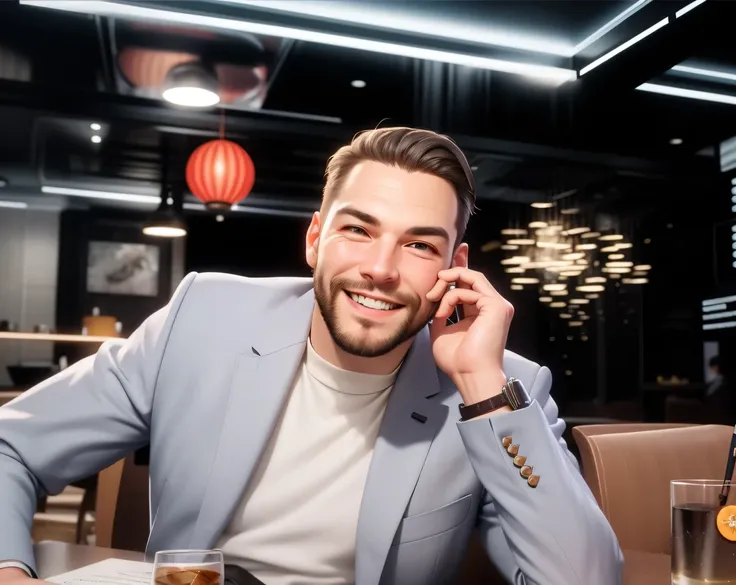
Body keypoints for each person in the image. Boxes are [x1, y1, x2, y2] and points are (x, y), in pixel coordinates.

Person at [0, 127, 623, 585]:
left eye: (419, 245)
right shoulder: (202, 318)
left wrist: (483, 389)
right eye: (358, 230)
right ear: (315, 238)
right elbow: (12, 446)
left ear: (455, 269)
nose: (380, 270)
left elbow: (586, 579)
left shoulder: (500, 388)